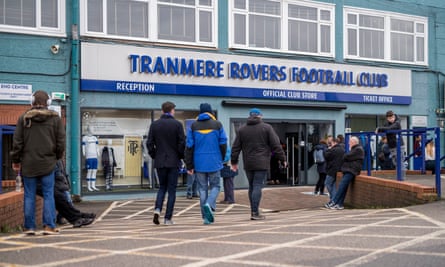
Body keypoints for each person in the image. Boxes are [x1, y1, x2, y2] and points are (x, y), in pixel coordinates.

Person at [11, 90, 65, 235]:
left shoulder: (23, 118)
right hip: (48, 163)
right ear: (48, 103)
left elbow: (17, 143)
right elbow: (61, 142)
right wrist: (57, 157)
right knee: (48, 194)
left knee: (29, 195)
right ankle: (49, 226)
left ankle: (29, 227)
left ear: (32, 101)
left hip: (28, 164)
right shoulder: (55, 119)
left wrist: (16, 160)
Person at [231, 108, 286, 220]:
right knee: (257, 186)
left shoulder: (242, 130)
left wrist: (234, 162)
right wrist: (283, 158)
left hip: (248, 163)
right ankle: (255, 213)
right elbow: (276, 145)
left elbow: (235, 148)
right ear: (260, 116)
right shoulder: (267, 128)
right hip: (262, 162)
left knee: (251, 186)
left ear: (250, 116)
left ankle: (253, 211)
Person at [185, 103, 227, 225]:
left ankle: (205, 217)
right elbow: (223, 143)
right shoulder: (218, 124)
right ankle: (209, 204)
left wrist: (189, 165)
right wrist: (222, 158)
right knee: (216, 186)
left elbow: (189, 147)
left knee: (202, 189)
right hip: (214, 160)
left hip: (199, 163)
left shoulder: (193, 126)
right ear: (210, 112)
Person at [147, 101, 185, 226]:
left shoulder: (155, 125)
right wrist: (180, 156)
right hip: (173, 161)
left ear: (163, 111)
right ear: (172, 110)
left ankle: (157, 209)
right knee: (172, 190)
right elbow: (181, 144)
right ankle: (168, 218)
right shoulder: (177, 125)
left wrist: (154, 155)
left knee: (162, 187)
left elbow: (149, 143)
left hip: (160, 161)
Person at [38, 160, 96, 228]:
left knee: (59, 197)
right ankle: (76, 217)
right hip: (38, 177)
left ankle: (77, 216)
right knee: (57, 197)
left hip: (40, 175)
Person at [324, 136, 364, 210]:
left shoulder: (358, 149)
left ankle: (334, 202)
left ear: (353, 142)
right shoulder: (354, 149)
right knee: (343, 187)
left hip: (351, 171)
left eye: (350, 142)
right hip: (348, 170)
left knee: (341, 186)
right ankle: (340, 204)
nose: (348, 143)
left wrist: (346, 157)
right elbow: (346, 157)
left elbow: (346, 157)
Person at [324, 135, 345, 202]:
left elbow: (326, 156)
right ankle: (333, 200)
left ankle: (334, 199)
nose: (331, 144)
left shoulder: (333, 149)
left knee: (328, 184)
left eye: (331, 143)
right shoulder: (342, 149)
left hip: (332, 170)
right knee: (333, 185)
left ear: (334, 142)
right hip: (339, 170)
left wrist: (328, 149)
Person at [82, 125, 100, 191]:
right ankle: (88, 186)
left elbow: (97, 146)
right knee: (89, 171)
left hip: (95, 157)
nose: (93, 130)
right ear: (89, 129)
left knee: (94, 171)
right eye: (92, 128)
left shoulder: (95, 138)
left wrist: (98, 152)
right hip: (89, 157)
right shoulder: (85, 138)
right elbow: (83, 146)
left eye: (93, 128)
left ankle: (93, 186)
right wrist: (84, 153)